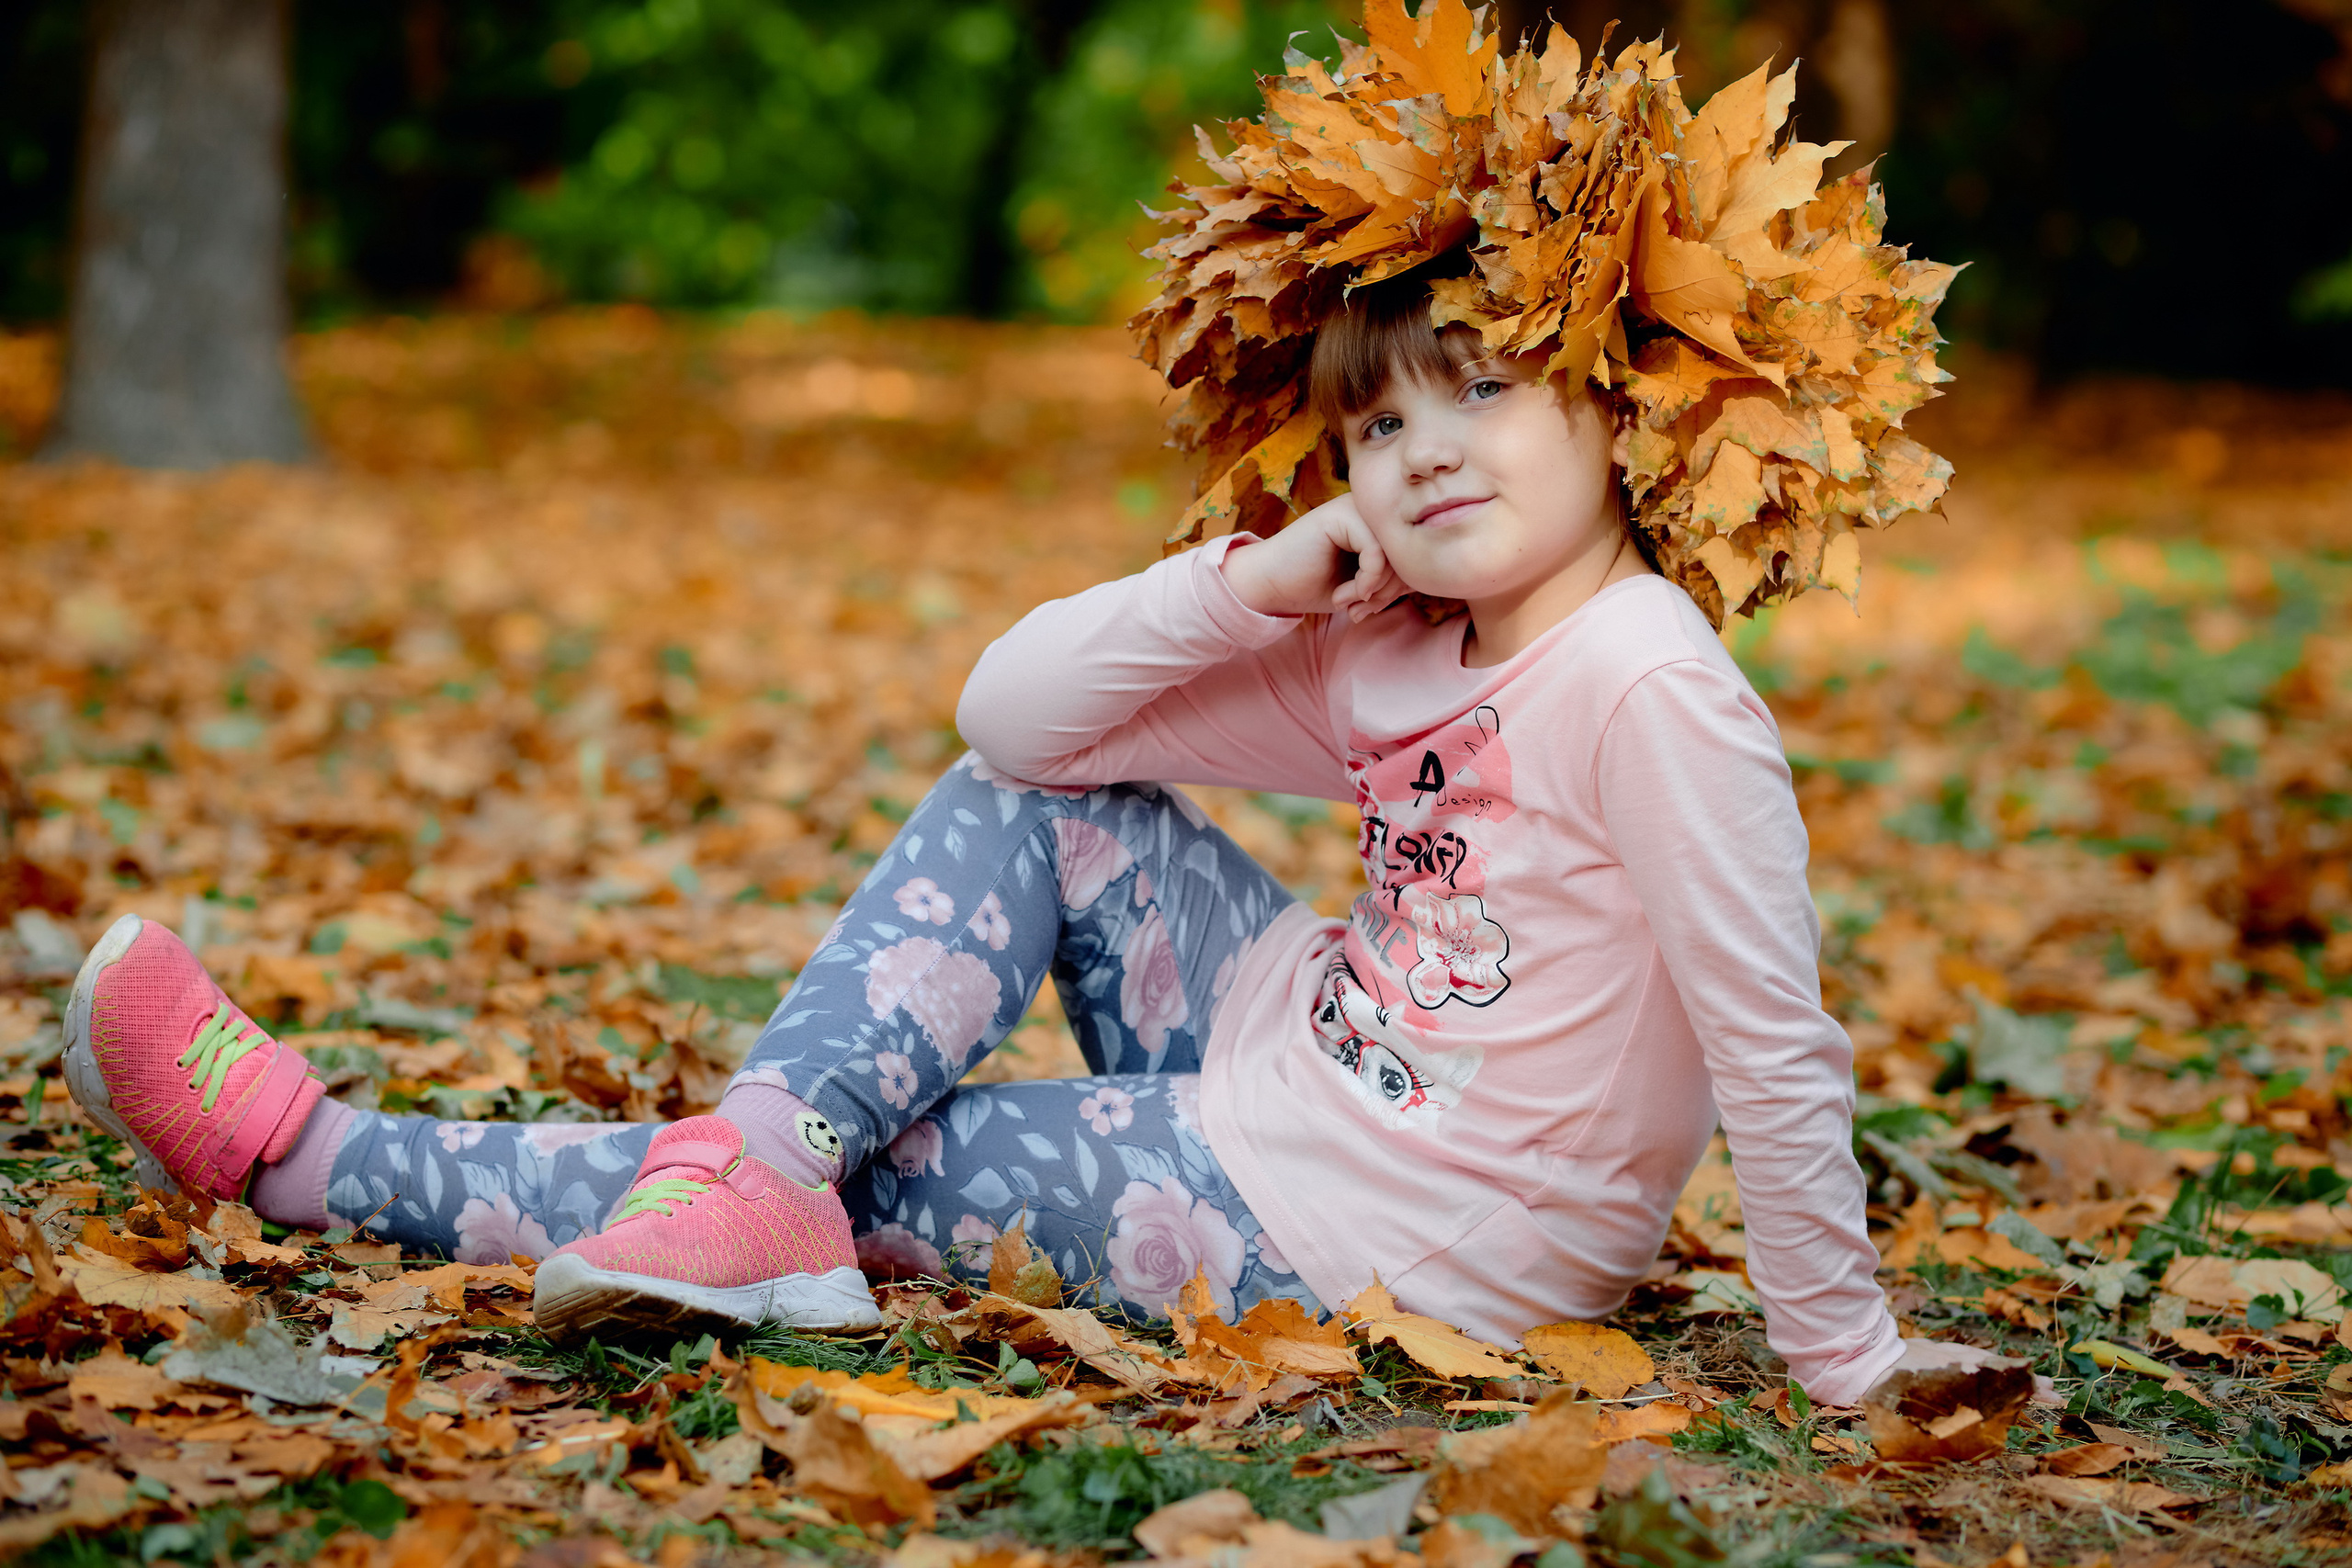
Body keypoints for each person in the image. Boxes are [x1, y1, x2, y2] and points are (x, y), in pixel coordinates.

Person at [59, 9, 2005, 1406]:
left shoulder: (1649, 680)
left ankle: (314, 1159)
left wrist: (1842, 1350)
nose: (1420, 454)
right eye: (1375, 421)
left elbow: (1769, 1027)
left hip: (1423, 1235)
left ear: (1612, 394)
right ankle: (750, 1171)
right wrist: (1245, 581)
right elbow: (1016, 725)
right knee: (1033, 824)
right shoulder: (1396, 639)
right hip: (1286, 1061)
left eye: (1480, 388)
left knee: (880, 1167)